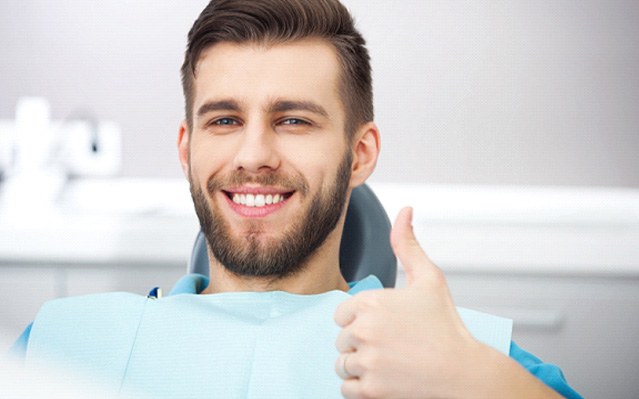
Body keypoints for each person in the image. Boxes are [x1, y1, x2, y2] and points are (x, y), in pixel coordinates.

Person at [12, 0, 582, 398]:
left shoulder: (460, 359)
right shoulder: (65, 343)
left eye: (293, 119)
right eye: (226, 119)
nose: (254, 153)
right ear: (186, 149)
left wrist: (475, 382)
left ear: (360, 154)